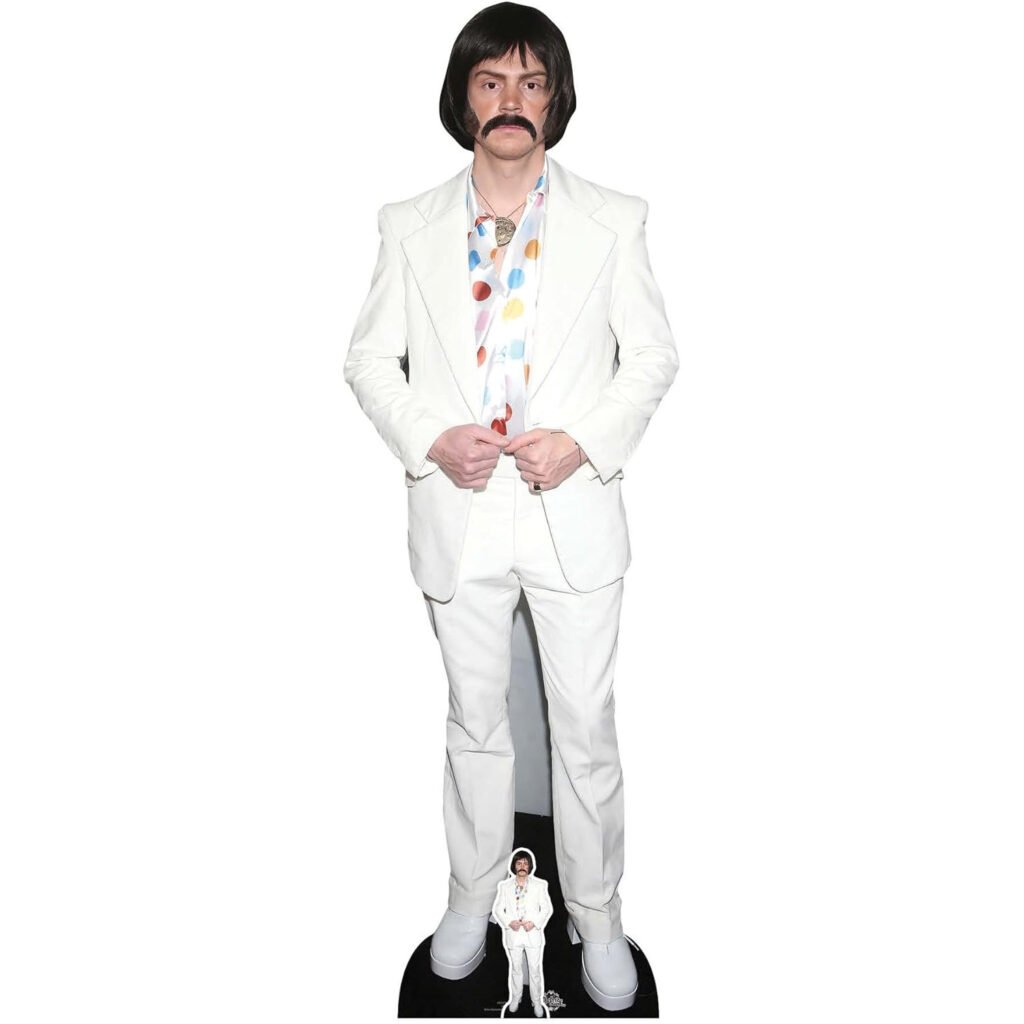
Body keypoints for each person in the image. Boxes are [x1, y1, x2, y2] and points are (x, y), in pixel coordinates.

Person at [344, 2, 677, 1011]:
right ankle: (469, 899)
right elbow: (369, 360)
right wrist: (426, 437)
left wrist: (583, 442)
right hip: (459, 510)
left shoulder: (615, 218)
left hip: (572, 507)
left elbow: (652, 356)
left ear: (556, 99)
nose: (511, 102)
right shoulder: (406, 224)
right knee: (474, 724)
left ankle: (599, 916)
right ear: (463, 98)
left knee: (584, 729)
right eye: (491, 82)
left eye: (532, 83)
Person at [493, 848, 552, 1017]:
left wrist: (534, 923)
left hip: (532, 935)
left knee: (534, 969)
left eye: (525, 863)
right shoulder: (505, 887)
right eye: (519, 863)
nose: (522, 866)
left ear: (530, 866)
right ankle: (515, 998)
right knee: (516, 968)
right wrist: (508, 922)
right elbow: (498, 909)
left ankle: (536, 1001)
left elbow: (546, 909)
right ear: (514, 866)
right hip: (514, 935)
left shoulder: (540, 885)